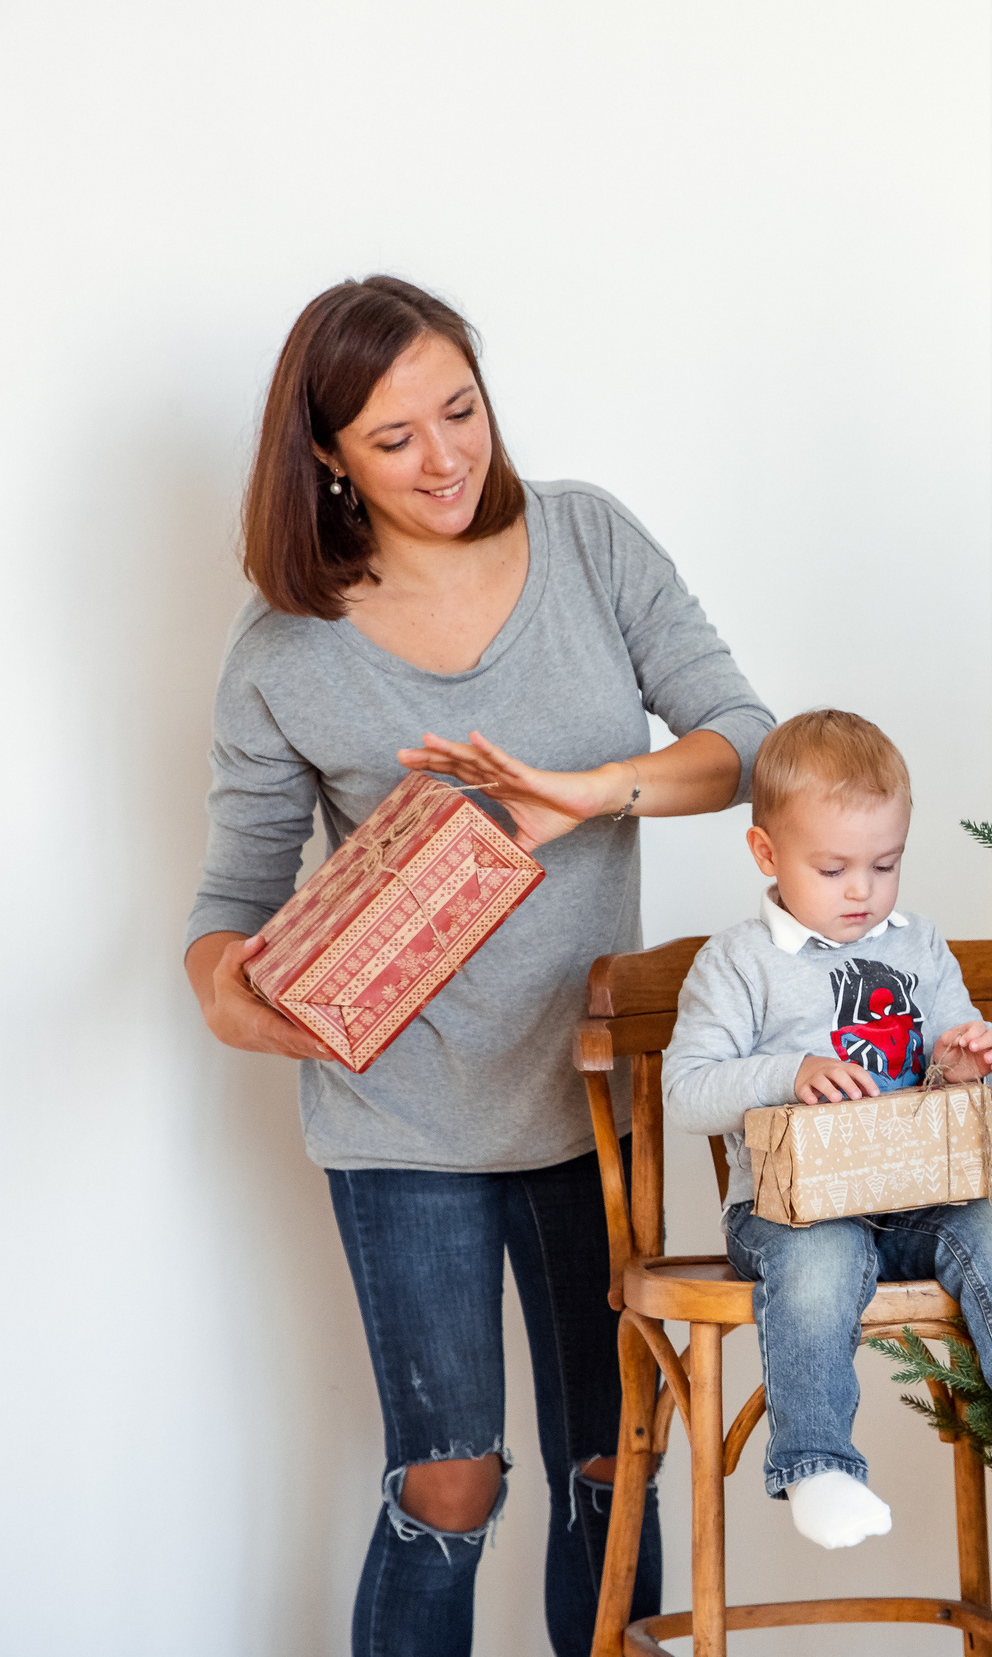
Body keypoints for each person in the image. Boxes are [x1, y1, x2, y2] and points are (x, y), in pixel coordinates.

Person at [185, 276, 775, 1657]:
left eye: (461, 408)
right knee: (449, 1479)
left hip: (591, 1103)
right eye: (395, 438)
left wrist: (593, 789)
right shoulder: (283, 650)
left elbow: (744, 739)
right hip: (401, 1121)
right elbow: (233, 896)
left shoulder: (585, 540)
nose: (446, 456)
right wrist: (232, 993)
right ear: (325, 454)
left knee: (605, 1467)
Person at [662, 709, 992, 1548]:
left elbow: (950, 1071)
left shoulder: (920, 948)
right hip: (788, 1211)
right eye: (832, 866)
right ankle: (817, 1465)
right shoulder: (737, 961)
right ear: (766, 853)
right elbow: (685, 1094)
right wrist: (786, 1070)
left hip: (913, 1195)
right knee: (823, 1260)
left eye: (885, 863)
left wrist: (964, 1059)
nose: (860, 890)